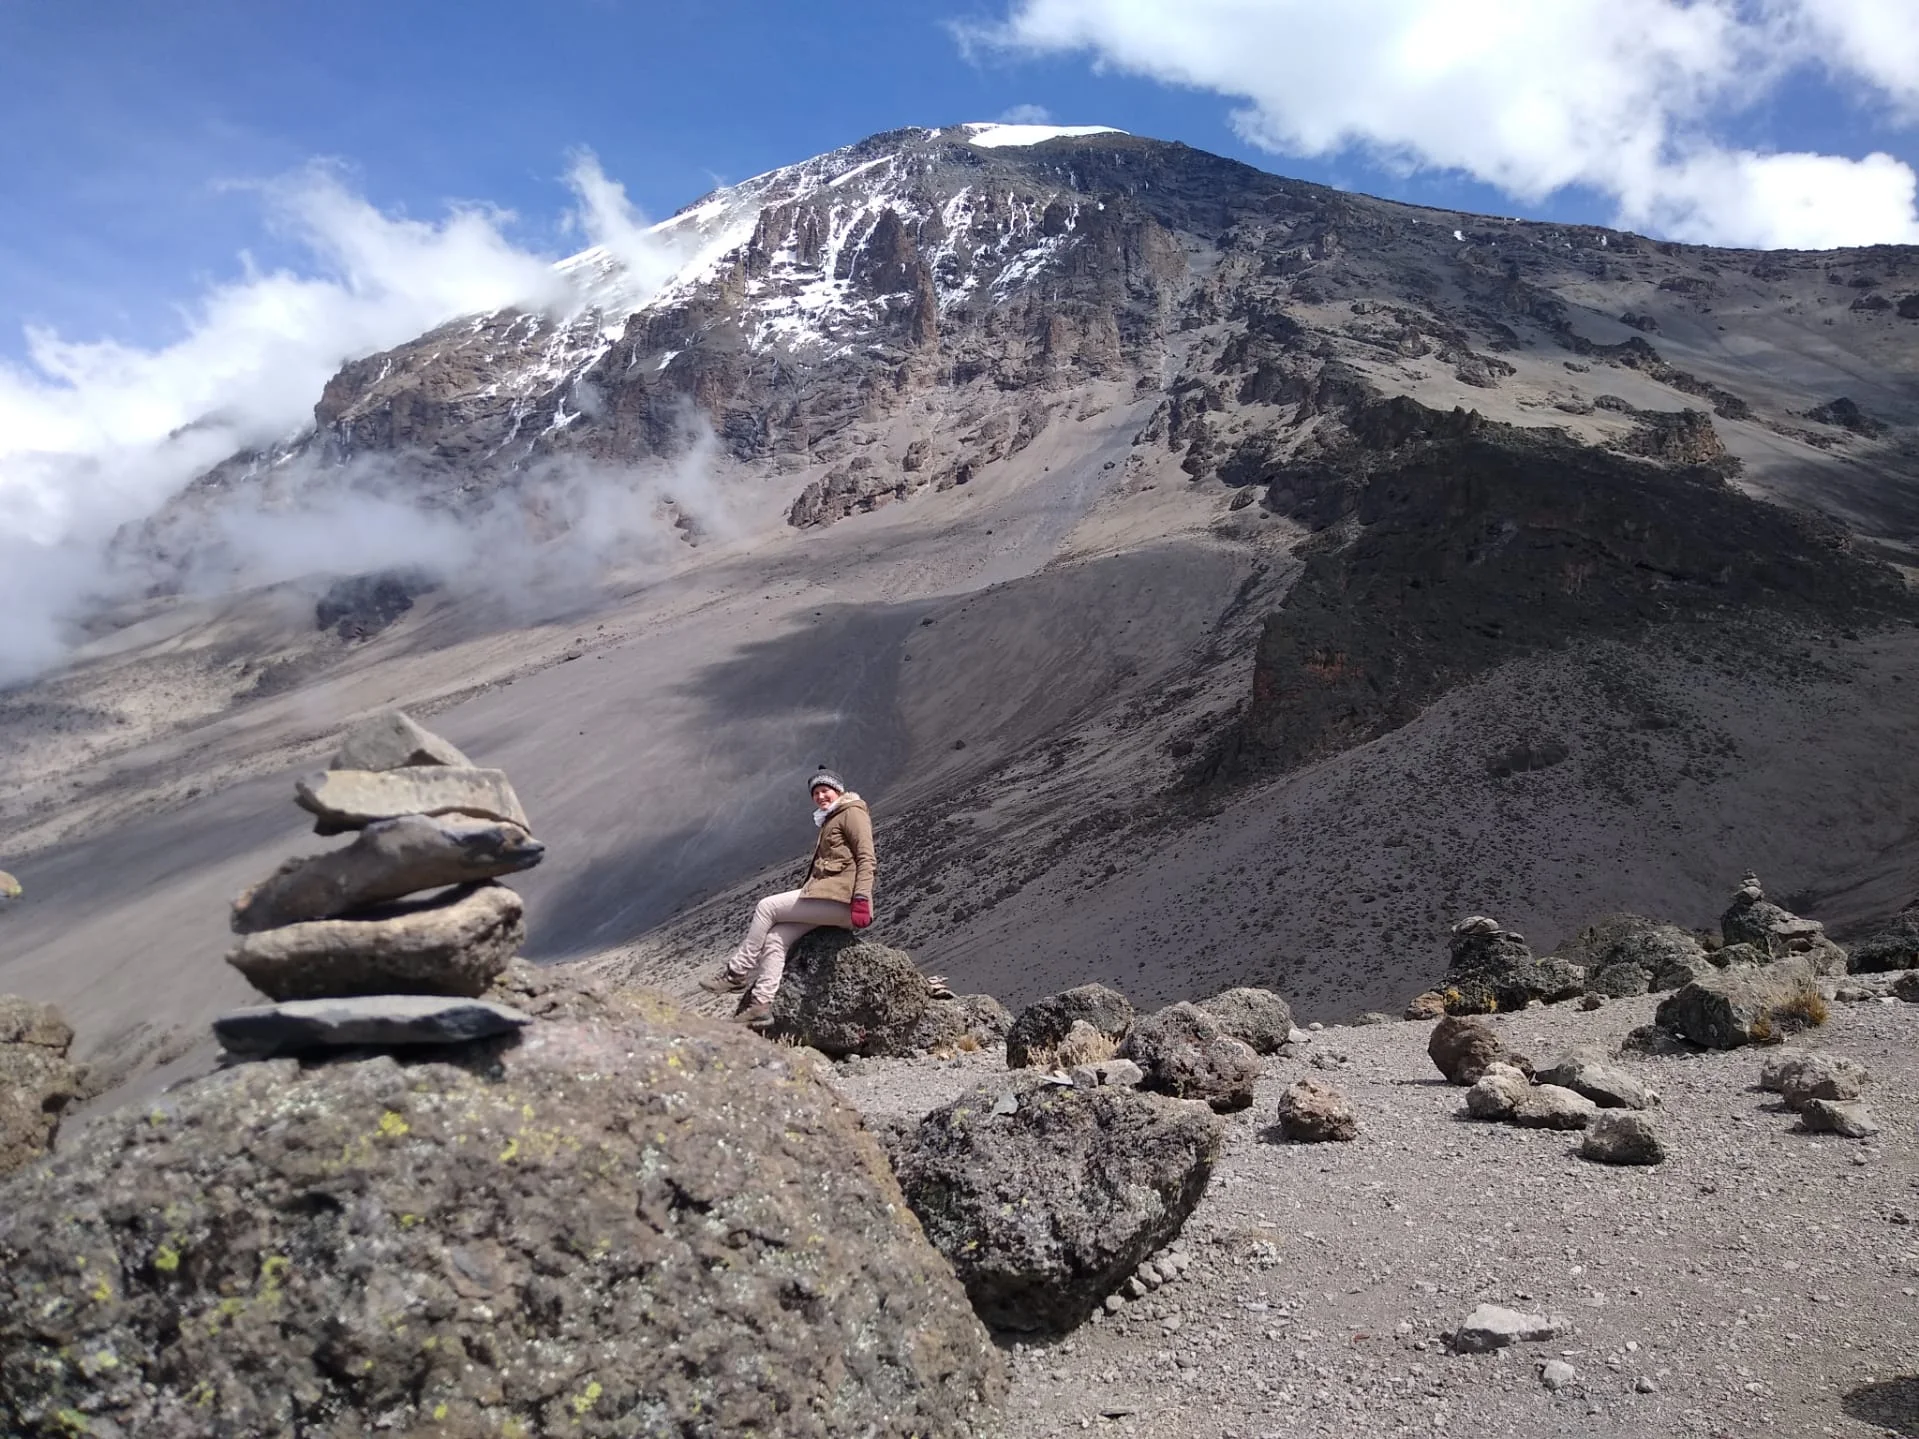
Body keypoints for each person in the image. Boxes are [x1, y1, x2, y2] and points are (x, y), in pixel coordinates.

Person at [701, 770, 876, 1026]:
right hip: (829, 900)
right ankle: (761, 1005)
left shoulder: (853, 812)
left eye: (825, 790)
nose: (820, 796)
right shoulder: (832, 818)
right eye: (815, 793)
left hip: (844, 901)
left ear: (838, 790)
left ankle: (737, 972)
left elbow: (866, 857)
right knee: (775, 939)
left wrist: (861, 898)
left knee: (766, 906)